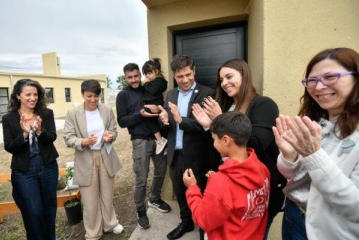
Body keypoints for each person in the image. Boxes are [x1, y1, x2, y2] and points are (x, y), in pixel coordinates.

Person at [191, 58, 287, 235]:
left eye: (229, 76)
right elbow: (220, 144)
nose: (225, 83)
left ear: (244, 75)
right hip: (227, 187)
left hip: (253, 191)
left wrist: (219, 119)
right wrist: (209, 126)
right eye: (221, 80)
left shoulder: (263, 104)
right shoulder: (226, 105)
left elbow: (258, 143)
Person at [273, 47, 359, 240]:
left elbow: (354, 208)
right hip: (294, 214)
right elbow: (293, 176)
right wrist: (289, 156)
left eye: (330, 77)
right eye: (312, 80)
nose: (319, 87)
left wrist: (314, 156)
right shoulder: (316, 120)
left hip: (329, 230)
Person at [183, 112, 270, 240]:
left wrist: (192, 188)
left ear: (225, 140)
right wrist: (218, 185)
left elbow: (204, 219)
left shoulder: (222, 182)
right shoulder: (262, 169)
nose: (213, 144)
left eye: (214, 139)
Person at [158, 55, 216, 240]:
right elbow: (168, 127)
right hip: (175, 154)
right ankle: (186, 221)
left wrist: (181, 120)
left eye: (188, 75)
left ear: (194, 71)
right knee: (180, 192)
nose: (184, 80)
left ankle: (204, 228)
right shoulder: (171, 94)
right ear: (174, 76)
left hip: (198, 156)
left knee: (201, 192)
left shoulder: (208, 93)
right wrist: (165, 122)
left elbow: (205, 126)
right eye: (180, 76)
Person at [63, 79, 123, 240]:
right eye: (89, 96)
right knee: (90, 199)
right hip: (85, 158)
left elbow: (113, 130)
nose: (93, 100)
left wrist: (110, 136)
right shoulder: (73, 113)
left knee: (107, 194)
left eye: (96, 96)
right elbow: (68, 138)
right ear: (83, 94)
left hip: (105, 156)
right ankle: (93, 232)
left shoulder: (107, 110)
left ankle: (110, 223)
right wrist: (83, 141)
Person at [2, 79, 59, 240]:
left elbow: (52, 137)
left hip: (48, 167)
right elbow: (9, 146)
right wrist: (25, 134)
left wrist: (40, 131)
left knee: (49, 209)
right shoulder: (9, 118)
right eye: (28, 94)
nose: (33, 98)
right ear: (18, 96)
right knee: (33, 212)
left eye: (35, 94)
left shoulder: (46, 114)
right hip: (24, 172)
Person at [116, 63, 171, 230]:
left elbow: (160, 103)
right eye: (129, 77)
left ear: (140, 75)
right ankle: (141, 210)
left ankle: (154, 199)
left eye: (136, 76)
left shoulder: (148, 88)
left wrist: (158, 109)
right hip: (140, 140)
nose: (134, 80)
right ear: (125, 78)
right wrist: (139, 115)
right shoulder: (123, 95)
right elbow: (122, 121)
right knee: (141, 178)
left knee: (160, 172)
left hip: (159, 139)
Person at [142, 58, 168, 154]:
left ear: (156, 71)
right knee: (155, 123)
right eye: (146, 74)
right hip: (151, 104)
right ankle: (163, 143)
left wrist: (145, 83)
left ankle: (160, 141)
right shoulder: (154, 81)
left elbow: (152, 91)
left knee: (151, 121)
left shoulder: (160, 81)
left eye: (149, 73)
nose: (147, 76)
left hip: (156, 104)